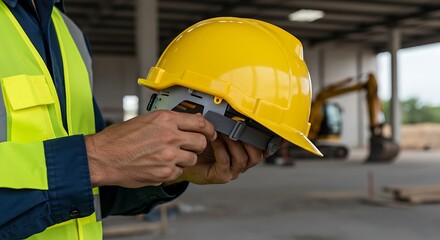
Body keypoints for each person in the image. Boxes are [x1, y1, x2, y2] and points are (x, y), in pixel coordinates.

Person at [0, 0, 265, 239]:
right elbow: (87, 168)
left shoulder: (68, 33)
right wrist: (93, 159)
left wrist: (170, 169)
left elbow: (90, 194)